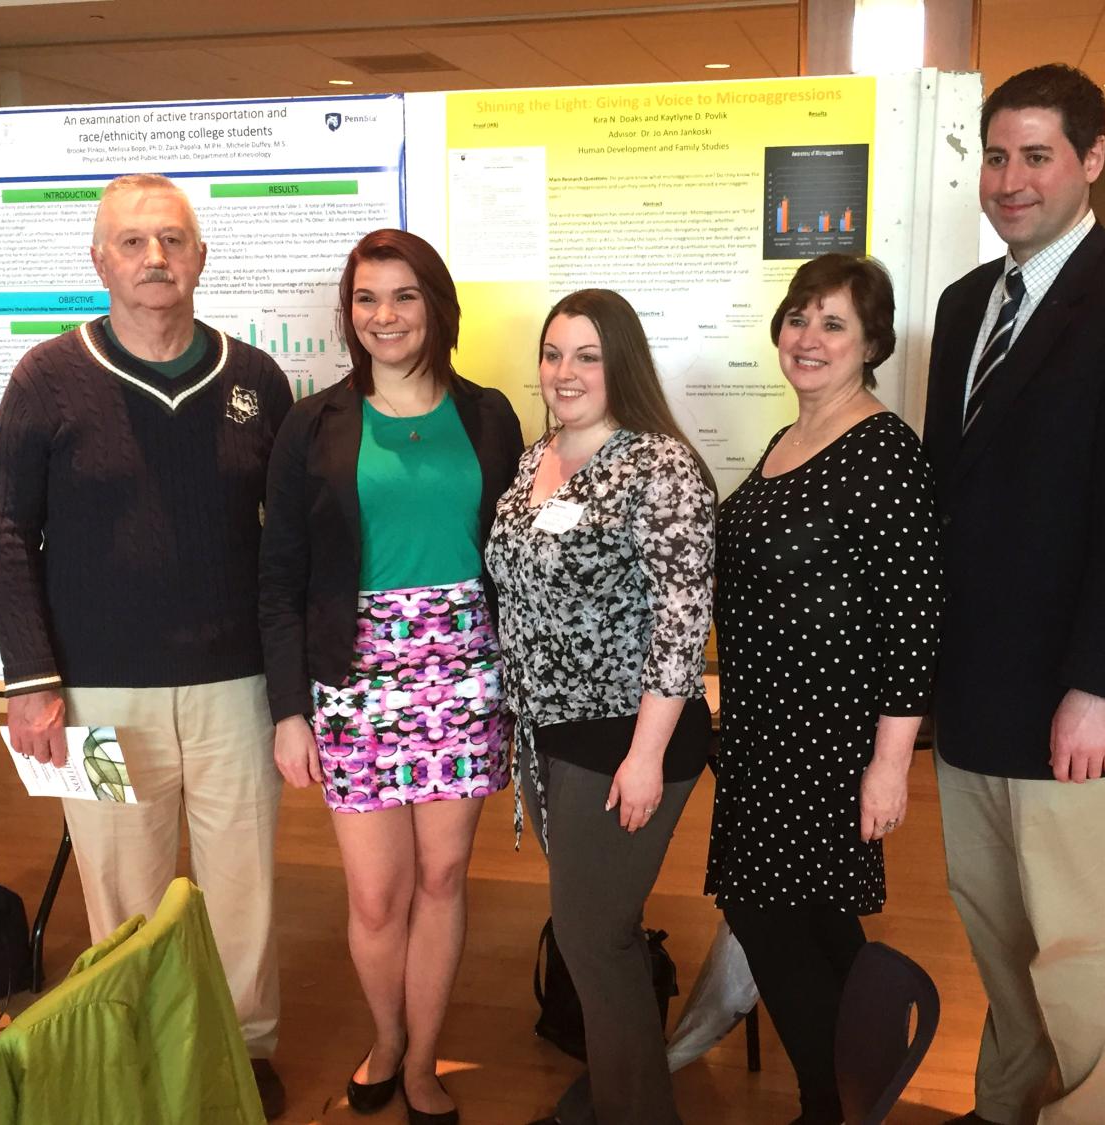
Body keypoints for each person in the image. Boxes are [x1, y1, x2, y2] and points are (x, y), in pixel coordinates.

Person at [921, 65, 1105, 1125]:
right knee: (999, 937)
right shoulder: (965, 306)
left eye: (1036, 155)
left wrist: (1099, 686)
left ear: (1091, 160)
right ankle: (1008, 1108)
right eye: (997, 157)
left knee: (1084, 953)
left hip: (1077, 705)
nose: (1010, 180)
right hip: (977, 698)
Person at [0, 173, 292, 1117]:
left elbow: (290, 541)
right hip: (95, 694)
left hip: (236, 685)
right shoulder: (47, 378)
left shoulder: (255, 379)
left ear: (201, 256)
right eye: (132, 242)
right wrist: (30, 680)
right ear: (99, 259)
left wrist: (295, 688)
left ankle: (240, 1053)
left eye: (172, 240)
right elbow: (3, 534)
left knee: (243, 885)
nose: (154, 258)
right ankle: (138, 1051)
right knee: (122, 888)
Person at [258, 228, 523, 1125]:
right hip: (355, 675)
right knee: (376, 892)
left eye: (403, 296)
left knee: (442, 879)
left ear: (436, 305)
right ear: (350, 314)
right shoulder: (313, 425)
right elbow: (280, 575)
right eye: (367, 299)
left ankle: (423, 1062)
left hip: (463, 669)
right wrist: (289, 710)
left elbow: (513, 560)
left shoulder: (488, 416)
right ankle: (386, 1039)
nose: (384, 316)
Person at [705, 254, 942, 1125]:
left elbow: (913, 622)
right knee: (816, 926)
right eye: (799, 317)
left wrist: (891, 765)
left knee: (769, 918)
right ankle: (861, 1090)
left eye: (833, 323)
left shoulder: (883, 449)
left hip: (828, 738)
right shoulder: (789, 437)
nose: (808, 337)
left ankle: (827, 1103)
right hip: (765, 729)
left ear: (870, 343)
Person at [485, 289, 715, 1125]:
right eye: (553, 353)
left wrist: (645, 755)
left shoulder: (659, 466)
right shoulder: (536, 457)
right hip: (549, 734)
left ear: (621, 362)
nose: (565, 371)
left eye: (587, 355)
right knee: (591, 923)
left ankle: (636, 1110)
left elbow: (683, 619)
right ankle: (618, 1088)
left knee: (594, 936)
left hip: (626, 739)